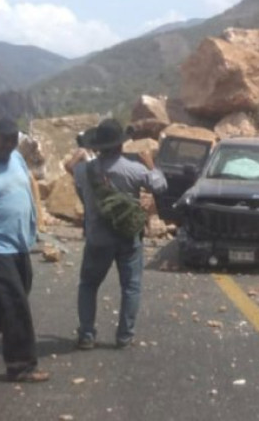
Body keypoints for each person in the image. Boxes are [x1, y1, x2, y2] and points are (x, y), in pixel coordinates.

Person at [71, 118, 166, 349]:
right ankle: (124, 336)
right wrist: (151, 164)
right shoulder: (134, 170)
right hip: (127, 237)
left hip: (97, 239)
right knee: (131, 287)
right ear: (121, 145)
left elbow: (74, 173)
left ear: (97, 146)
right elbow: (161, 186)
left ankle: (86, 334)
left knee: (88, 285)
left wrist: (81, 152)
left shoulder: (84, 170)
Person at [0, 116, 49, 383]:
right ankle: (21, 365)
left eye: (12, 142)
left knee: (9, 299)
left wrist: (38, 219)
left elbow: (29, 183)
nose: (9, 146)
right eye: (3, 141)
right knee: (15, 303)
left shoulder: (16, 159)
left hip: (20, 242)